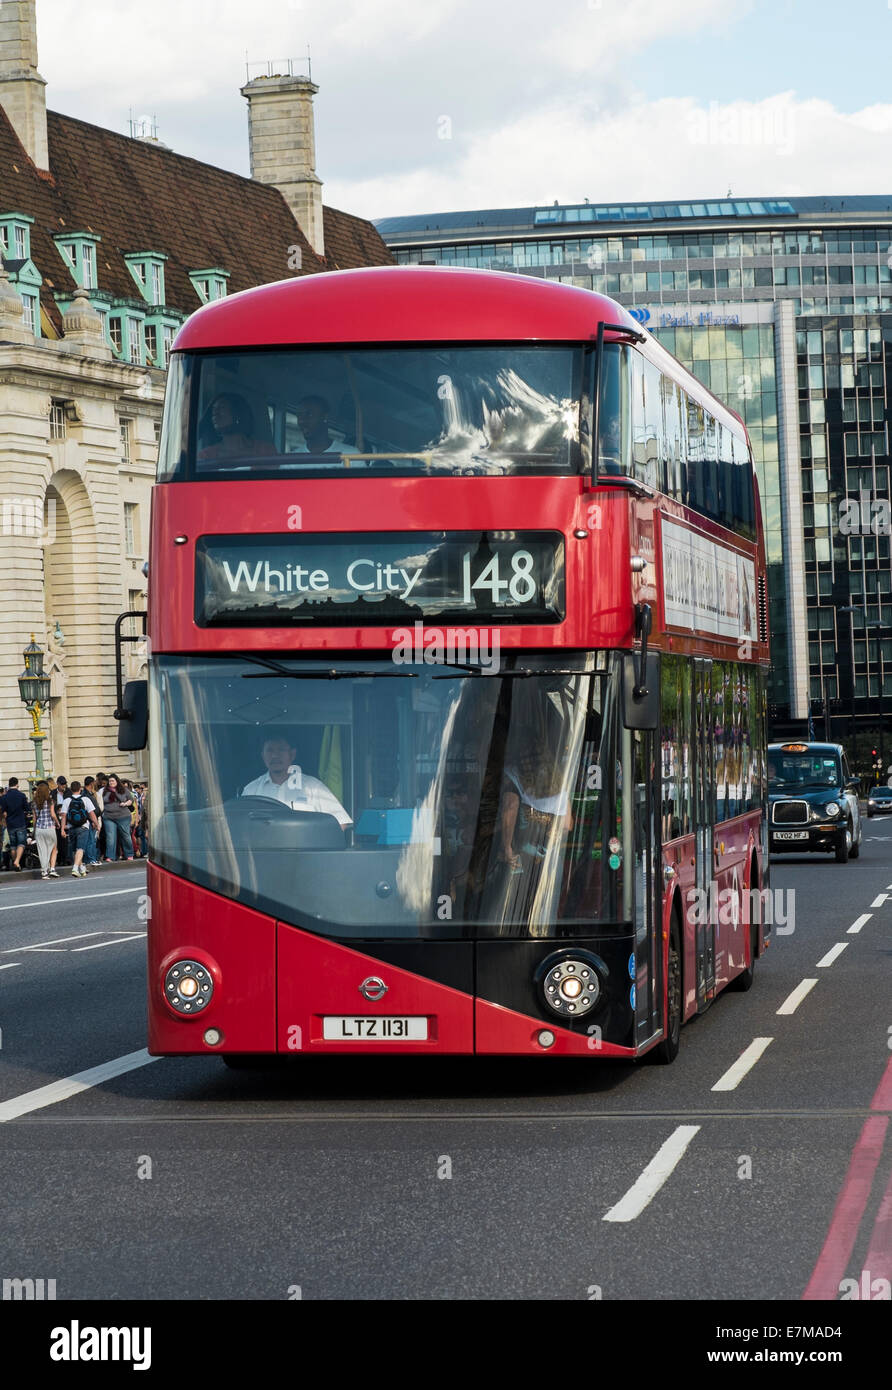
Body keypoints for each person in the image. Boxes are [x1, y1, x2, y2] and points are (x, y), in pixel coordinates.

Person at [241, 735, 353, 827]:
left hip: (305, 853)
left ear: (292, 754)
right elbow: (241, 827)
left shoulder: (313, 787)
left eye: (281, 750)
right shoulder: (251, 790)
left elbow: (341, 823)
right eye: (269, 750)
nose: (275, 755)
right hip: (264, 853)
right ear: (263, 755)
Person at [197, 393, 277, 462]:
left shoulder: (265, 451)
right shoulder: (205, 456)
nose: (215, 414)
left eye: (221, 408)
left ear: (238, 413)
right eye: (213, 410)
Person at [290, 395, 360, 459]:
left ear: (325, 417)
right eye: (299, 416)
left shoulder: (350, 455)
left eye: (309, 414)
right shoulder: (291, 459)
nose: (301, 421)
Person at [60, 781, 99, 878]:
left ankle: (82, 868)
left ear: (71, 789)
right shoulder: (85, 799)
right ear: (80, 789)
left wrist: (62, 829)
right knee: (81, 848)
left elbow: (63, 816)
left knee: (75, 849)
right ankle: (75, 868)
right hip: (83, 826)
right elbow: (92, 814)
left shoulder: (66, 801)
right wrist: (96, 824)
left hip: (71, 827)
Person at [0, 777, 30, 871]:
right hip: (20, 822)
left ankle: (16, 864)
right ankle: (17, 861)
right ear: (17, 784)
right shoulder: (21, 795)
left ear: (9, 785)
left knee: (13, 845)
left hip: (10, 824)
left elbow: (3, 811)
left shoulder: (4, 797)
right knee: (21, 843)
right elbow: (27, 808)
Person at [102, 775, 135, 860]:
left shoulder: (124, 790)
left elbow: (131, 800)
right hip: (108, 817)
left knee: (126, 836)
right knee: (110, 837)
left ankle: (129, 854)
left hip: (123, 816)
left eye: (113, 781)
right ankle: (110, 856)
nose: (111, 783)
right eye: (110, 781)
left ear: (117, 781)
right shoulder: (104, 791)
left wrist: (125, 804)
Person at [33, 780, 60, 878]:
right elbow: (53, 815)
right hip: (49, 828)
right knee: (53, 848)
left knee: (42, 850)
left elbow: (34, 818)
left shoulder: (34, 803)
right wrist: (57, 822)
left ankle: (44, 871)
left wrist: (34, 830)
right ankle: (52, 868)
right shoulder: (50, 801)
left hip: (39, 829)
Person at [82, 776, 102, 866]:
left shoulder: (88, 794)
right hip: (90, 821)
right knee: (91, 841)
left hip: (91, 820)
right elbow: (89, 810)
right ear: (91, 784)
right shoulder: (86, 795)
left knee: (91, 840)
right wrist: (93, 821)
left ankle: (90, 858)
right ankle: (90, 859)